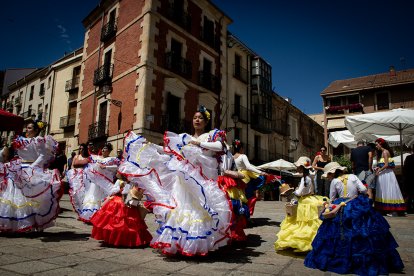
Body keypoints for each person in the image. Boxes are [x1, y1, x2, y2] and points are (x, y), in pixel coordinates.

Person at [118, 105, 232, 256]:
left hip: (202, 180)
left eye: (200, 118)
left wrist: (198, 143)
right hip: (184, 180)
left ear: (206, 122)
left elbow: (219, 146)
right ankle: (180, 242)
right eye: (195, 118)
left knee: (201, 208)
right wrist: (150, 145)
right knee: (182, 206)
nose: (197, 120)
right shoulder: (185, 138)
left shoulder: (210, 135)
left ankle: (200, 244)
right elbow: (168, 151)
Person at [305, 162, 404, 275]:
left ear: (332, 173)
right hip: (356, 204)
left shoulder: (334, 181)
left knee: (338, 233)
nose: (328, 177)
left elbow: (332, 198)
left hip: (340, 205)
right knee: (363, 231)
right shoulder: (353, 176)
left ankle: (344, 259)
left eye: (328, 175)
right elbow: (363, 190)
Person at [0, 119, 63, 232]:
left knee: (31, 197)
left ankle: (32, 223)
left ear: (36, 130)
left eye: (29, 128)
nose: (27, 130)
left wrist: (31, 167)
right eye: (27, 128)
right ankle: (16, 223)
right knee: (15, 196)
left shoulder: (38, 140)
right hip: (19, 170)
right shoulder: (20, 140)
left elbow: (42, 156)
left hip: (32, 170)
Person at [275, 156, 327, 253]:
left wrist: (291, 190)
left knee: (302, 222)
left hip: (305, 201)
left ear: (302, 167)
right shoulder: (308, 177)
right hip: (309, 199)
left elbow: (300, 192)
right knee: (307, 223)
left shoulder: (305, 178)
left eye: (298, 166)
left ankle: (303, 243)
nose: (297, 168)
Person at [90, 173, 152, 248]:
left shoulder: (122, 182)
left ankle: (115, 239)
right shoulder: (135, 183)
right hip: (127, 203)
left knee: (116, 222)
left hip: (120, 202)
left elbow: (113, 191)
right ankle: (124, 240)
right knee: (126, 223)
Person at [67, 143, 120, 223]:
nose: (103, 150)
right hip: (95, 182)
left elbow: (117, 168)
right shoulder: (95, 157)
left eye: (105, 148)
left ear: (109, 150)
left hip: (106, 182)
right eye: (102, 148)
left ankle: (102, 216)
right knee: (93, 196)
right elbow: (83, 164)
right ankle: (92, 215)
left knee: (104, 198)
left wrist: (105, 167)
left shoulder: (113, 159)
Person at [232, 139, 267, 217]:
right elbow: (248, 167)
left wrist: (258, 168)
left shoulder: (232, 157)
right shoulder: (243, 156)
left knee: (240, 197)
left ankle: (241, 217)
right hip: (245, 178)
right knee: (249, 197)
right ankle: (247, 216)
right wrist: (261, 172)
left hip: (237, 178)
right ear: (241, 148)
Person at [374, 138, 406, 216]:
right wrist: (378, 168)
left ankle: (392, 209)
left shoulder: (385, 152)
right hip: (384, 173)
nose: (376, 146)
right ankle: (386, 209)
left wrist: (379, 170)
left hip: (387, 174)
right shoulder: (382, 152)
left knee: (388, 189)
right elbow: (384, 164)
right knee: (385, 190)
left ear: (380, 144)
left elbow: (386, 165)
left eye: (377, 144)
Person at [403, 146, 414, 213]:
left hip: (409, 178)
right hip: (410, 178)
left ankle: (408, 208)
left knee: (409, 194)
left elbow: (405, 169)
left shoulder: (409, 158)